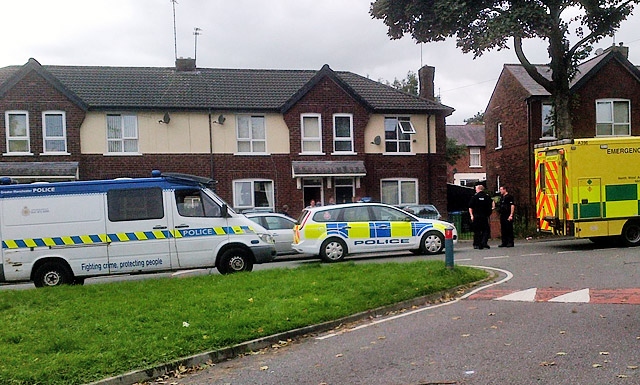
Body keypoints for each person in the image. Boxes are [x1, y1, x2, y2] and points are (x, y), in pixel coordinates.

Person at [468, 184, 493, 249]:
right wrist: (489, 213)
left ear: (479, 189)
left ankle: (477, 244)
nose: (475, 190)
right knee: (486, 230)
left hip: (476, 216)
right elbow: (492, 204)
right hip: (484, 216)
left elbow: (470, 207)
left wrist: (471, 215)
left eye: (476, 188)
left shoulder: (474, 197)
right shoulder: (487, 197)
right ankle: (484, 242)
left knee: (477, 230)